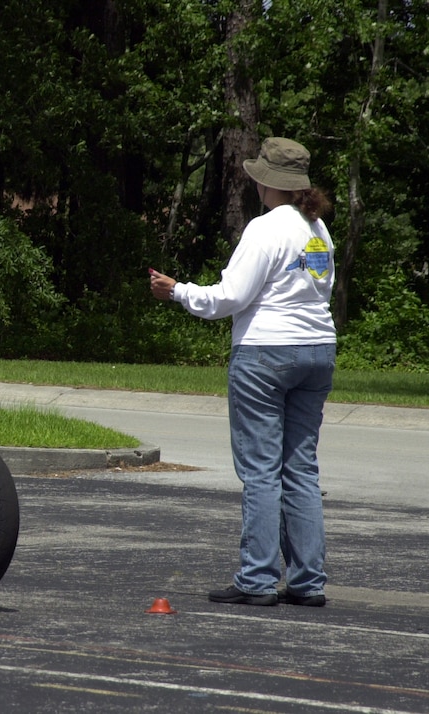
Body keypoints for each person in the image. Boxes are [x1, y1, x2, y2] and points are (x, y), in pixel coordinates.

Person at [149, 137, 336, 607]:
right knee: (301, 468)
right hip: (317, 350)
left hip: (265, 353)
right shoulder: (318, 230)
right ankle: (308, 581)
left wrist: (178, 292)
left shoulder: (265, 228)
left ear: (265, 180)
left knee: (261, 471)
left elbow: (230, 297)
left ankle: (256, 579)